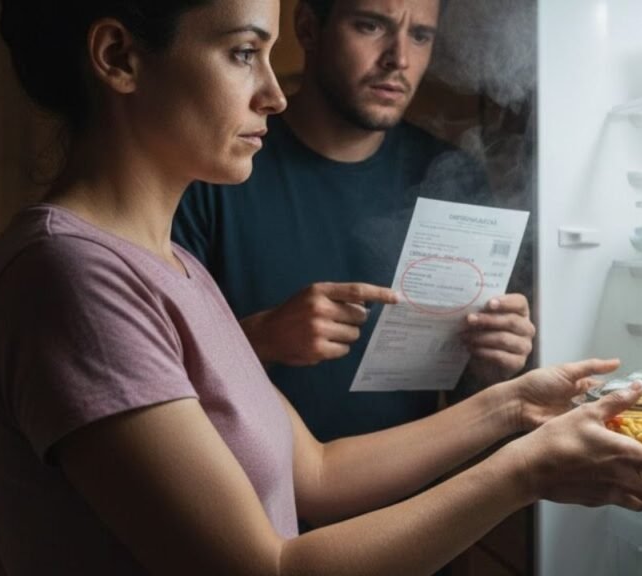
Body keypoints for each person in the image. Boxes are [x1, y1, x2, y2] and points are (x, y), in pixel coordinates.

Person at [0, 1, 642, 574]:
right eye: (242, 52)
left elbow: (314, 473)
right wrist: (527, 469)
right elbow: (268, 567)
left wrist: (513, 403)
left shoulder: (169, 268)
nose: (272, 95)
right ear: (119, 57)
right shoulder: (69, 277)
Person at [173, 0, 535, 442]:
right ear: (308, 28)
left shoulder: (448, 175)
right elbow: (157, 382)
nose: (398, 58)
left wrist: (490, 366)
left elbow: (461, 400)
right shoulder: (215, 172)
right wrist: (261, 338)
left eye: (420, 36)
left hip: (415, 503)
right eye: (370, 26)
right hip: (250, 500)